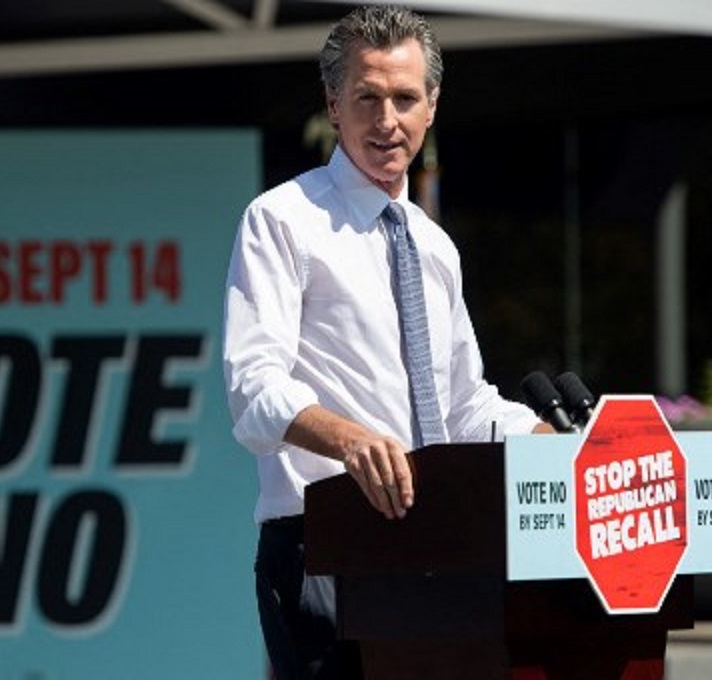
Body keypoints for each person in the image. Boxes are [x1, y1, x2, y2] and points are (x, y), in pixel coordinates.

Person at [222, 5, 552, 678]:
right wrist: (350, 441)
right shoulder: (282, 221)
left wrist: (552, 441)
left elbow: (462, 408)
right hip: (323, 542)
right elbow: (254, 389)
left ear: (431, 107)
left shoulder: (434, 246)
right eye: (366, 98)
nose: (386, 120)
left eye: (405, 99)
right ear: (333, 106)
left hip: (436, 547)